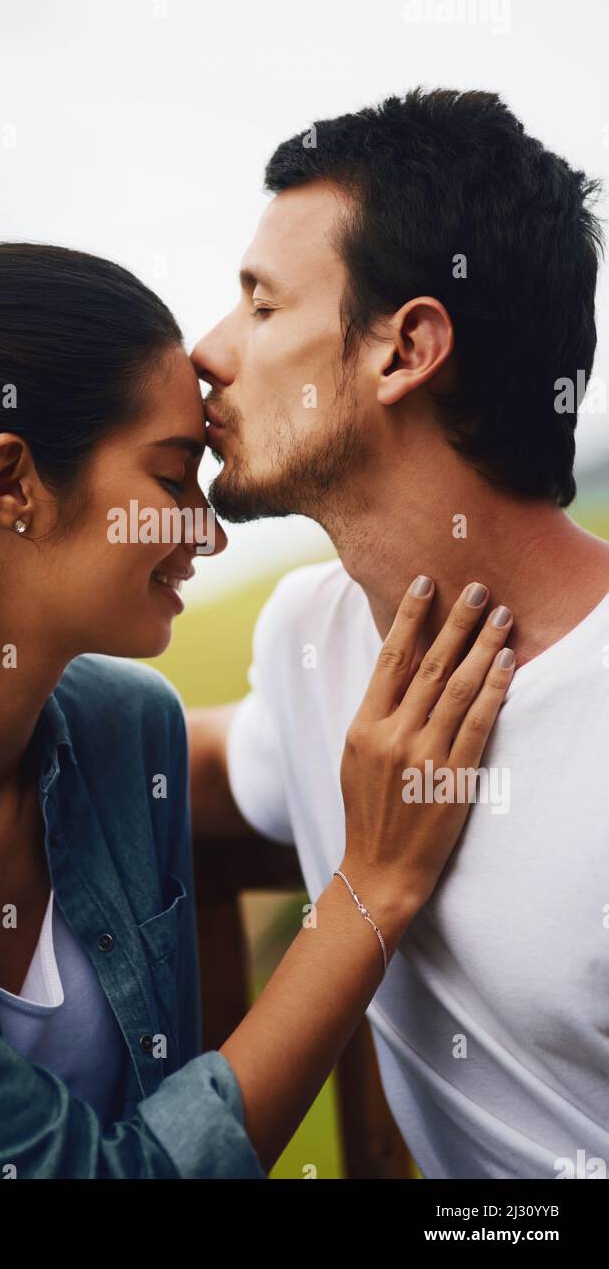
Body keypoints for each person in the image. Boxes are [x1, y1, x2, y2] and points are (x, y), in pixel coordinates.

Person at [0, 243, 513, 1178]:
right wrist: (369, 890)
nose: (206, 534)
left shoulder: (132, 731)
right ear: (11, 483)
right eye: (172, 476)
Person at [189, 88, 609, 1179]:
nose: (207, 351)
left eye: (261, 307)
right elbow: (173, 760)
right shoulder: (309, 639)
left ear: (404, 347)